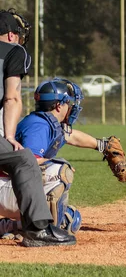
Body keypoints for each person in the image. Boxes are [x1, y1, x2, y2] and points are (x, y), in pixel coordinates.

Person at [0, 78, 117, 239]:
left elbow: (72, 136)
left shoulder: (48, 122)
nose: (72, 107)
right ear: (59, 105)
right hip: (5, 188)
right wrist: (58, 164)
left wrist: (101, 145)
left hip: (11, 187)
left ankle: (14, 225)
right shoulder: (39, 126)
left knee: (69, 219)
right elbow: (30, 162)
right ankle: (26, 228)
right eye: (69, 103)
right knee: (59, 170)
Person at [0, 9, 31, 150]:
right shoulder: (15, 51)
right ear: (12, 35)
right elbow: (11, 98)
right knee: (25, 162)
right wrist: (10, 137)